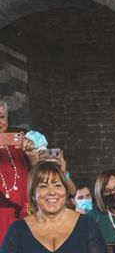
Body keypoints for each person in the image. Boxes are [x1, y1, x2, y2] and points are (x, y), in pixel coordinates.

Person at [0, 161, 107, 253]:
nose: (52, 192)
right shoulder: (17, 230)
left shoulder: (87, 225)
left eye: (57, 185)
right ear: (33, 194)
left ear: (65, 191)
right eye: (43, 186)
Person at [0, 100, 39, 242]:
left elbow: (37, 181)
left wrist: (32, 157)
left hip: (22, 218)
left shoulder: (17, 146)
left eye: (2, 116)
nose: (0, 122)